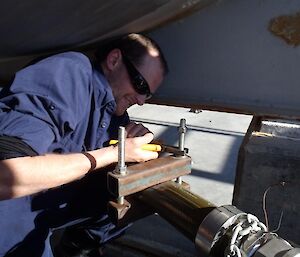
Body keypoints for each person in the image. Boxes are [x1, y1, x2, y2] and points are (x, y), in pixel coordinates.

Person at [0, 33, 168, 257]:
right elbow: (7, 176)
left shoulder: (114, 111)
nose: (140, 100)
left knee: (125, 196)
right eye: (139, 84)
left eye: (146, 94)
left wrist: (131, 149)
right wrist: (113, 153)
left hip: (45, 199)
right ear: (114, 60)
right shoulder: (68, 73)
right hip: (11, 206)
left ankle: (76, 249)